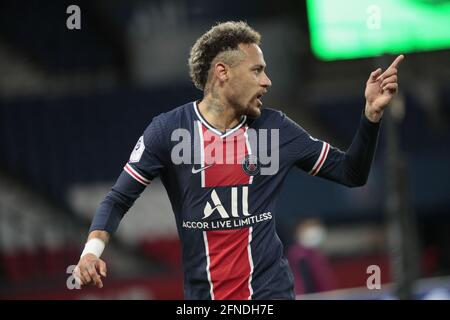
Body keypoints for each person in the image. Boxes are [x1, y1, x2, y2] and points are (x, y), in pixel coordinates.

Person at [74, 21, 404, 300]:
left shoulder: (276, 129)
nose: (267, 81)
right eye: (257, 70)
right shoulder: (168, 131)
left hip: (270, 293)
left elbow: (351, 173)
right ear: (223, 72)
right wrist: (91, 253)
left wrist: (370, 117)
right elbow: (118, 198)